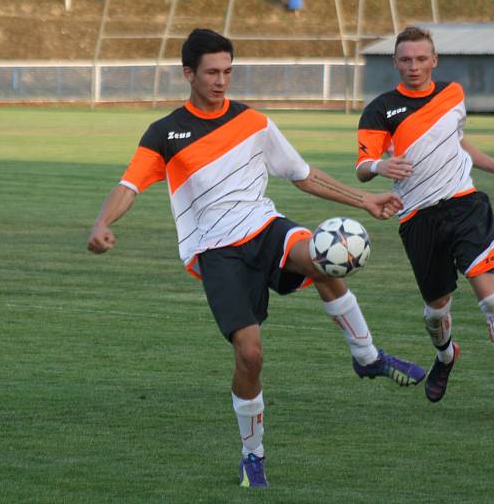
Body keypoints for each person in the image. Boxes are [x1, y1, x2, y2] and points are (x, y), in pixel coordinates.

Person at [87, 29, 425, 489]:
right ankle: (253, 454)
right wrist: (102, 223)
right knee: (250, 355)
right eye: (211, 72)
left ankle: (366, 355)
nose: (221, 80)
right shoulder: (165, 133)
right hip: (216, 251)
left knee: (325, 255)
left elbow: (302, 174)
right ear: (188, 73)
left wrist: (363, 201)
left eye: (227, 71)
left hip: (266, 229)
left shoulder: (253, 122)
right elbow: (129, 185)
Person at [355, 26, 494, 428]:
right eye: (406, 60)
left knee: (492, 300)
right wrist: (379, 165)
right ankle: (446, 356)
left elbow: (459, 142)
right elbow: (362, 168)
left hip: (466, 206)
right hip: (417, 218)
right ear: (395, 62)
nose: (414, 66)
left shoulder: (453, 94)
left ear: (434, 60)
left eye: (421, 59)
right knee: (435, 310)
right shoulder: (379, 109)